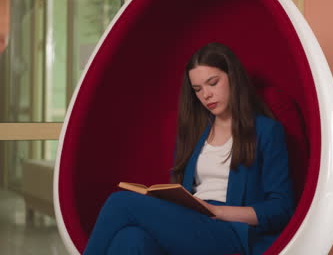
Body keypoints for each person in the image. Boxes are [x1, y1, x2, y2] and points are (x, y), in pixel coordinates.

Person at [83, 42, 295, 255]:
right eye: (198, 89)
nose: (206, 95)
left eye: (213, 83)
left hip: (230, 229)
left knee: (119, 202)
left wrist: (218, 211)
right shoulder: (195, 132)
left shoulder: (267, 131)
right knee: (131, 238)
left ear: (233, 77)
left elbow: (281, 209)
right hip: (191, 221)